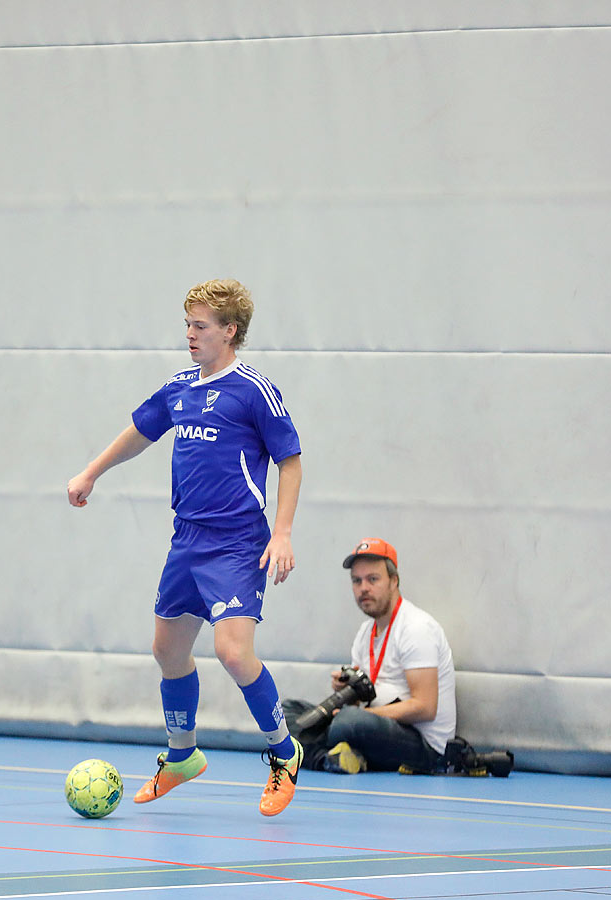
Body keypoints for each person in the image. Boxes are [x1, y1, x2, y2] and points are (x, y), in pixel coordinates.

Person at [67, 279, 305, 816]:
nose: (191, 335)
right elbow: (140, 430)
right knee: (168, 651)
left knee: (233, 652)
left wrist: (283, 531)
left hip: (238, 542)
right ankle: (182, 756)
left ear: (230, 331)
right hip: (188, 539)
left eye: (201, 326)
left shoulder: (252, 390)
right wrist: (91, 472)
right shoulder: (179, 387)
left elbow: (289, 459)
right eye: (188, 326)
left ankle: (284, 752)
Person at [292, 538, 456, 775]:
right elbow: (360, 700)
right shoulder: (365, 633)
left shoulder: (416, 628)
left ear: (394, 581)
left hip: (424, 745)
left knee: (347, 722)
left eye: (373, 579)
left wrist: (360, 715)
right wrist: (345, 691)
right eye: (356, 581)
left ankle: (324, 753)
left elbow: (425, 707)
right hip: (377, 728)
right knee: (288, 712)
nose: (364, 588)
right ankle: (332, 759)